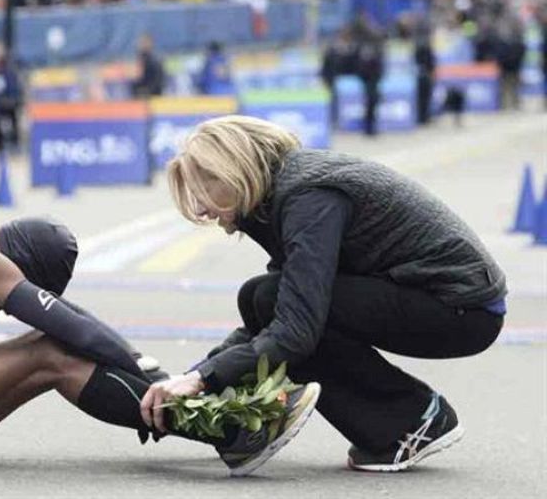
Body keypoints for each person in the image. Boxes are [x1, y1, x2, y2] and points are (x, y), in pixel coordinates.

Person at [0, 210, 320, 476]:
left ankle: (217, 423)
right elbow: (67, 329)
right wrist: (152, 376)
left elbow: (73, 319)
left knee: (55, 347)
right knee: (48, 354)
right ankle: (229, 434)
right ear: (20, 270)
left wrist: (154, 378)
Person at [147, 116, 507, 472]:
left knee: (273, 305)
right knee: (262, 297)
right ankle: (406, 418)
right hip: (444, 299)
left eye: (205, 187)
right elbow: (282, 309)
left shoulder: (307, 197)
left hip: (462, 308)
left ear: (234, 169)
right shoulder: (284, 189)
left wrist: (203, 379)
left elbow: (294, 328)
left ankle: (412, 420)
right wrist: (196, 376)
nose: (201, 208)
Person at [414, 28, 436, 125]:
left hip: (420, 74)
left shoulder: (417, 45)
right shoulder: (427, 47)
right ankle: (424, 117)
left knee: (421, 98)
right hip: (425, 74)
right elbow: (431, 62)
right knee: (425, 97)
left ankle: (421, 117)